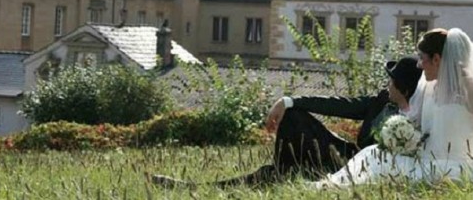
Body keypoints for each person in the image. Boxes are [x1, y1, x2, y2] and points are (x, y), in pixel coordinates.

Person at [312, 28, 473, 188]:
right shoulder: (430, 85)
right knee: (370, 155)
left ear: (438, 59)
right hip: (428, 159)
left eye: (423, 59)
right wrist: (400, 134)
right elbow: (414, 120)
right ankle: (330, 186)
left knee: (376, 164)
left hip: (459, 166)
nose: (419, 66)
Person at [151, 55, 423, 187]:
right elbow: (336, 104)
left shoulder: (419, 116)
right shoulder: (379, 101)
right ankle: (281, 171)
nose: (387, 84)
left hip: (362, 170)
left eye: (391, 80)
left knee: (265, 176)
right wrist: (288, 100)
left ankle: (193, 187)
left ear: (403, 87)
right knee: (294, 117)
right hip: (342, 156)